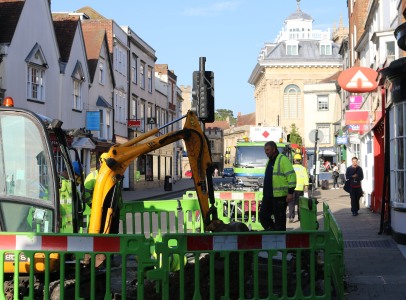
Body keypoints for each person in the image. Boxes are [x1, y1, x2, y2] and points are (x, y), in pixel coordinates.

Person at [259, 141, 296, 231]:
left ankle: (279, 237)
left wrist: (290, 193)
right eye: (265, 150)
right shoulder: (269, 161)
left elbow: (291, 177)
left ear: (274, 149)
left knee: (279, 219)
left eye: (267, 150)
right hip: (268, 195)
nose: (266, 152)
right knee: (263, 216)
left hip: (280, 197)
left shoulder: (283, 160)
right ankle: (273, 231)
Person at [84, 153, 122, 234]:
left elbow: (117, 194)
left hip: (112, 210)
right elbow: (86, 194)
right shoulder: (93, 176)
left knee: (112, 233)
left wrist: (118, 207)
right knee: (97, 232)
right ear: (100, 162)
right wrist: (93, 205)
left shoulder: (114, 176)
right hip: (98, 210)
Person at [288, 154, 309, 223]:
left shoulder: (291, 167)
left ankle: (291, 217)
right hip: (300, 189)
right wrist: (306, 186)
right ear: (300, 160)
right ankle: (300, 217)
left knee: (291, 204)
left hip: (292, 188)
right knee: (300, 204)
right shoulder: (303, 168)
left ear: (294, 160)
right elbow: (305, 177)